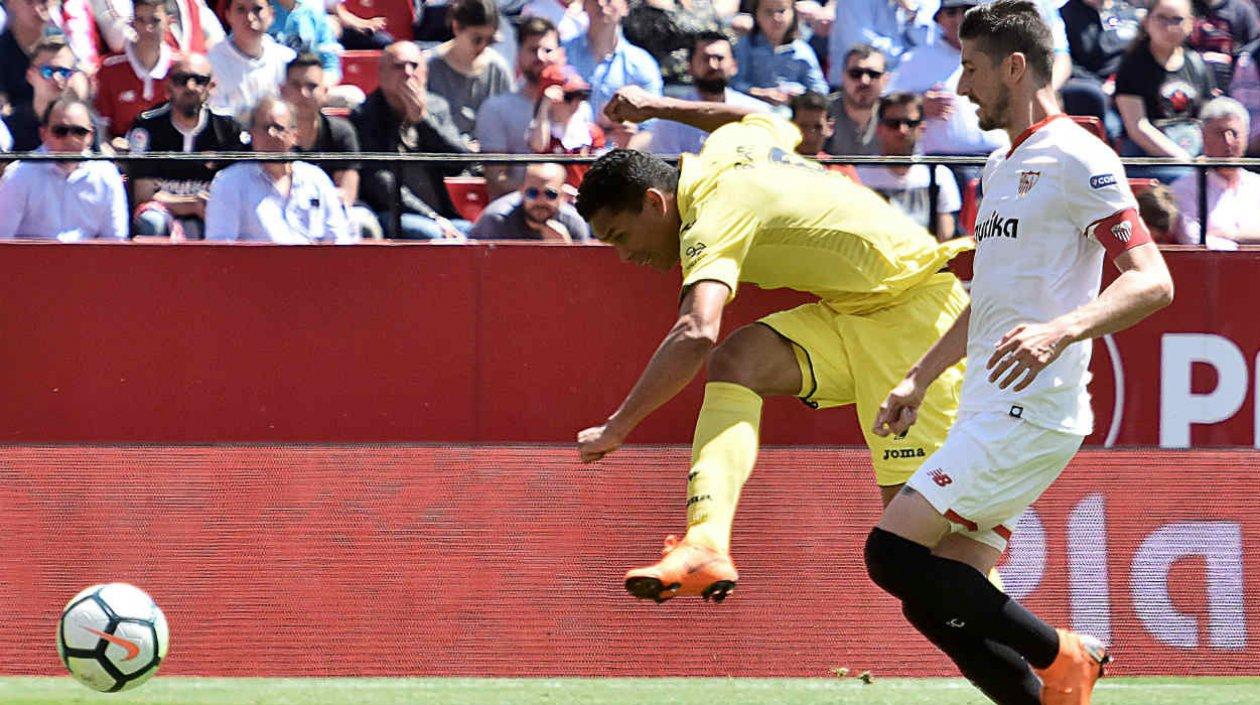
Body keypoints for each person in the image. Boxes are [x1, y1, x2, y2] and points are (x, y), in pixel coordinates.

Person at [867, 4, 1173, 705]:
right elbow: (990, 295)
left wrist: (1061, 329)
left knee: (891, 555)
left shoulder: (1079, 157)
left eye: (971, 68)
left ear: (1013, 67)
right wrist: (920, 376)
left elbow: (1154, 281)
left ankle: (1067, 654)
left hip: (1031, 411)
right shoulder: (1001, 162)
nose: (961, 86)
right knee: (935, 594)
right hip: (990, 407)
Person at [575, 84, 973, 604]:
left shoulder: (712, 214)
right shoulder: (725, 151)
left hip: (914, 321)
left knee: (925, 553)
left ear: (654, 202)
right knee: (740, 361)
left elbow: (696, 331)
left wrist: (618, 427)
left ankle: (1047, 648)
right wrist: (658, 107)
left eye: (621, 236)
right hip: (853, 310)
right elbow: (757, 115)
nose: (626, 257)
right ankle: (705, 543)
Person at [352, 41, 472, 240]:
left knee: (476, 232)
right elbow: (381, 183)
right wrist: (431, 217)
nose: (408, 73)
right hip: (393, 213)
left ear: (425, 72)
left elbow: (459, 163)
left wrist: (423, 120)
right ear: (381, 74)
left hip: (442, 213)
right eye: (398, 66)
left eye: (414, 66)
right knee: (432, 234)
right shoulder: (365, 115)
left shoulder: (437, 106)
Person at [129, 53, 249, 240]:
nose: (190, 87)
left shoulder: (228, 128)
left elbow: (238, 190)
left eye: (199, 80)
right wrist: (191, 205)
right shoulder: (147, 126)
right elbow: (143, 196)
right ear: (168, 86)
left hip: (213, 213)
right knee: (150, 220)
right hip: (164, 212)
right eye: (181, 79)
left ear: (211, 87)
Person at [205, 96, 355, 243]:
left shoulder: (315, 179)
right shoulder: (229, 182)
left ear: (294, 135)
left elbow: (338, 238)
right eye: (265, 128)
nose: (271, 135)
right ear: (252, 133)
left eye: (278, 128)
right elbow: (221, 245)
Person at [888, 0, 1009, 181]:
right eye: (951, 12)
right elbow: (885, 107)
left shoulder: (1004, 57)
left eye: (967, 9)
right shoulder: (916, 60)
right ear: (939, 19)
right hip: (942, 168)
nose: (960, 19)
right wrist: (919, 107)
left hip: (998, 163)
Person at [281, 52, 381, 239]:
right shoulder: (272, 136)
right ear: (282, 90)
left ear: (325, 92)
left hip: (331, 215)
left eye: (312, 86)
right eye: (295, 85)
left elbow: (347, 195)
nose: (303, 93)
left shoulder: (341, 132)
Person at [1113, 0, 1215, 180]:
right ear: (1147, 21)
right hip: (1150, 160)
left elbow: (1207, 116)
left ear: (1190, 23)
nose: (1169, 27)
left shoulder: (1196, 64)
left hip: (1192, 151)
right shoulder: (1133, 66)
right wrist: (1184, 160)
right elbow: (1137, 127)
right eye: (1161, 18)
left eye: (1177, 20)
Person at [0, 97, 127, 240]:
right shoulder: (19, 174)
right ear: (43, 134)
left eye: (79, 132)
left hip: (87, 254)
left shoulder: (107, 174)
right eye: (60, 131)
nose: (70, 139)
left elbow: (115, 240)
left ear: (91, 136)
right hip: (34, 254)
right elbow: (3, 239)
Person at [476, 16, 563, 199]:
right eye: (533, 50)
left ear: (560, 54)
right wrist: (543, 194)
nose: (540, 57)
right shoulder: (496, 109)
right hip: (516, 207)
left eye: (548, 50)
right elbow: (497, 179)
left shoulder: (577, 107)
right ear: (518, 53)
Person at [645, 30, 769, 154]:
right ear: (690, 67)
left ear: (734, 66)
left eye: (719, 58)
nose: (713, 65)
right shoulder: (671, 120)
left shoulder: (756, 112)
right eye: (705, 59)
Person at [858, 92, 960, 241]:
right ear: (879, 129)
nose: (902, 130)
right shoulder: (860, 175)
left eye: (910, 123)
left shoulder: (939, 174)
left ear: (922, 128)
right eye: (893, 124)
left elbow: (945, 235)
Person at [1169, 96, 1260, 247]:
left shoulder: (1257, 185)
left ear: (1246, 137)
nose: (1228, 142)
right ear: (1203, 137)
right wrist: (1248, 240)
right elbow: (1193, 239)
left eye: (1234, 133)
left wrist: (1230, 235)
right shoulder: (1184, 189)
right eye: (1219, 133)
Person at [427, 0, 515, 142]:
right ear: (456, 27)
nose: (483, 46)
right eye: (477, 39)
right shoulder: (429, 66)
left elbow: (508, 121)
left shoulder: (498, 69)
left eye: (490, 40)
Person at [3, 36, 106, 153]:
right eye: (47, 71)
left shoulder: (82, 122)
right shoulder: (10, 125)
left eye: (64, 72)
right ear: (30, 75)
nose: (57, 78)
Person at [563, 0, 663, 116]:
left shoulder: (642, 63)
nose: (601, 3)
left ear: (625, 7)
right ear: (584, 5)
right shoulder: (561, 53)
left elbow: (653, 117)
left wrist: (627, 126)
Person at [1058, 0, 1142, 135]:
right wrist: (1101, 85)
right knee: (1113, 127)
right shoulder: (1064, 15)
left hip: (1132, 86)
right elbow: (1068, 62)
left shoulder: (1128, 12)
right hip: (1097, 89)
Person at [94, 0, 175, 139]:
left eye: (155, 21)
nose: (147, 28)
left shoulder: (180, 69)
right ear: (133, 24)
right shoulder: (110, 69)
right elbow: (102, 132)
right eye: (141, 20)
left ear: (169, 22)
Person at [208, 0, 296, 118]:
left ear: (271, 14)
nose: (250, 18)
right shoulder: (211, 63)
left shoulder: (287, 60)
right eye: (241, 9)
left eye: (257, 9)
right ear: (228, 16)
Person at [731, 0, 827, 108]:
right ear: (756, 15)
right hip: (754, 110)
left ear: (793, 13)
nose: (776, 18)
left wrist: (800, 96)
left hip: (794, 112)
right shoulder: (745, 46)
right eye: (768, 12)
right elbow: (734, 84)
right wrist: (761, 93)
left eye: (782, 11)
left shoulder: (802, 50)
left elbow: (820, 89)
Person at [622, 0, 726, 93]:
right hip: (660, 83)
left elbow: (714, 31)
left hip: (700, 84)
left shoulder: (702, 5)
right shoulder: (636, 8)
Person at [527, 64, 604, 188]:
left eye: (582, 96)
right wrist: (544, 105)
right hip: (548, 196)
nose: (576, 103)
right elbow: (539, 146)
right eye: (569, 97)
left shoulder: (591, 134)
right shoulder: (540, 131)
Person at [470, 161, 591, 240]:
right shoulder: (498, 220)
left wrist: (566, 249)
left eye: (550, 194)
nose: (540, 201)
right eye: (532, 193)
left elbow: (583, 270)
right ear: (521, 192)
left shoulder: (573, 223)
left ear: (562, 196)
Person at [827, 0, 935, 85]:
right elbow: (863, 49)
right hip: (857, 88)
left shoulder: (918, 3)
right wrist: (910, 56)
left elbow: (928, 43)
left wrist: (910, 12)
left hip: (901, 89)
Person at [825, 43, 887, 156]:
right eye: (856, 73)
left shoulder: (896, 116)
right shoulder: (823, 113)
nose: (864, 81)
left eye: (873, 74)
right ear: (843, 77)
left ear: (885, 79)